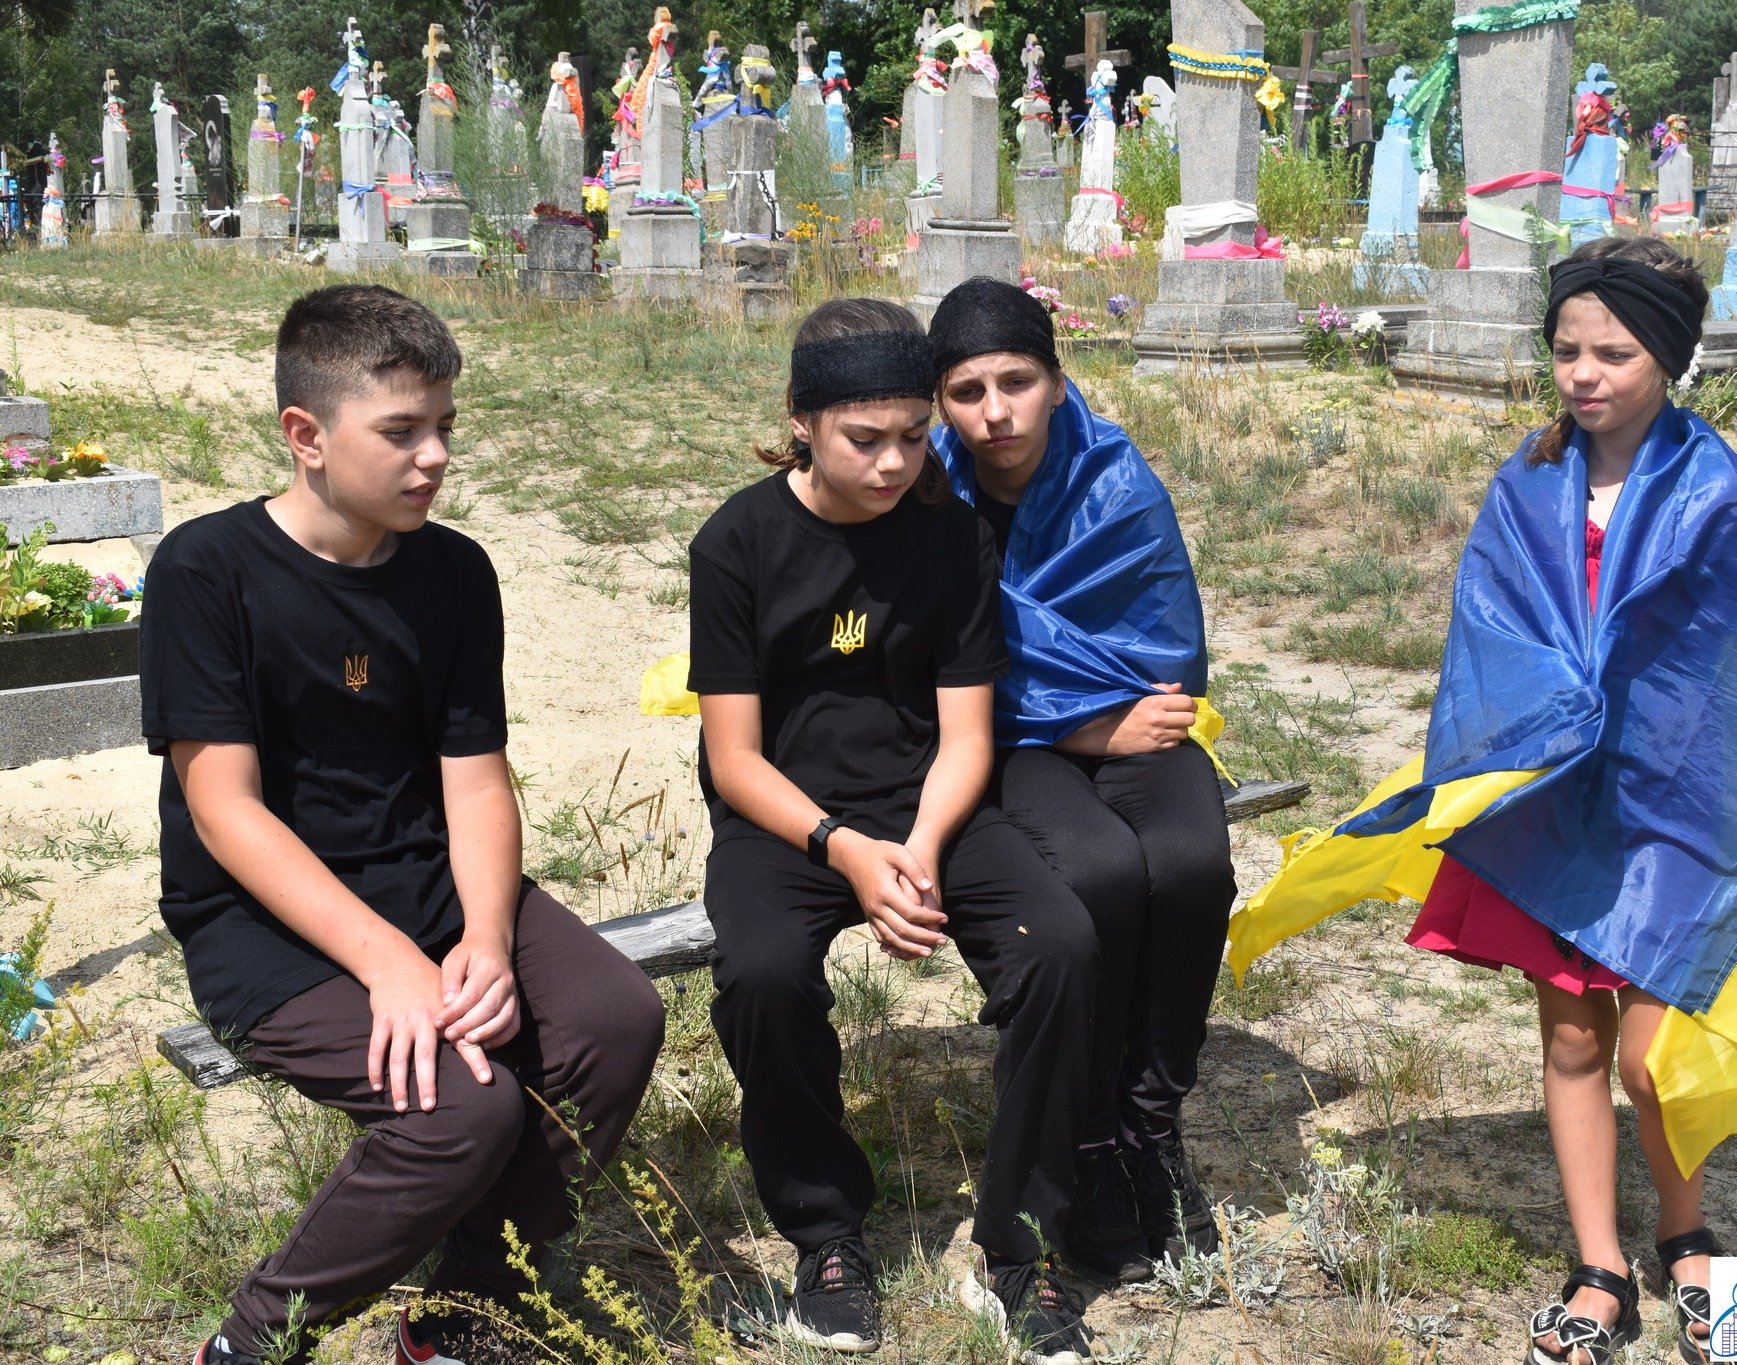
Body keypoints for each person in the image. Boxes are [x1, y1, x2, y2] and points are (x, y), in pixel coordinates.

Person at [1225, 236, 1737, 1365]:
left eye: (1613, 354)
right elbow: (1491, 633)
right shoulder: (1526, 486)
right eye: (1567, 350)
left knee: (1651, 1054)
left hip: (1679, 803)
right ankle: (1598, 1263)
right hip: (1555, 799)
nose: (1584, 374)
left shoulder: (1720, 496)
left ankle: (1685, 1233)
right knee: (1573, 1036)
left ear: (1668, 357)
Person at [144, 284, 667, 1365]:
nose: (435, 457)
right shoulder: (207, 569)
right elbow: (224, 808)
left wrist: (484, 939)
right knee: (459, 1111)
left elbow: (475, 781)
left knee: (614, 1021)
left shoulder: (454, 571)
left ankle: (465, 1311)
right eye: (400, 431)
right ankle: (250, 1343)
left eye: (444, 427)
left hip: (427, 882)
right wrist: (389, 964)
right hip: (264, 921)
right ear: (306, 436)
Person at [687, 298, 1100, 1364]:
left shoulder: (951, 536)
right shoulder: (736, 543)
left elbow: (964, 736)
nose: (892, 464)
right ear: (801, 421)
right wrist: (844, 849)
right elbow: (735, 760)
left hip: (930, 809)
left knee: (1058, 944)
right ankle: (826, 1235)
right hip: (783, 821)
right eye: (863, 440)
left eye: (914, 438)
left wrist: (915, 848)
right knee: (762, 974)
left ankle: (1023, 1246)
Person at [924, 277, 1233, 1285]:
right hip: (1007, 743)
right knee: (1097, 871)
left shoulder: (1116, 484)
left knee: (1189, 860)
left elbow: (1163, 649)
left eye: (1017, 382)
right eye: (966, 391)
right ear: (939, 403)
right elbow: (928, 663)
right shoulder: (924, 496)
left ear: (1058, 383)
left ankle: (1152, 1126)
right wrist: (1086, 724)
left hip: (1137, 728)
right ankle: (1090, 1136)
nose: (995, 412)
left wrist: (1111, 722)